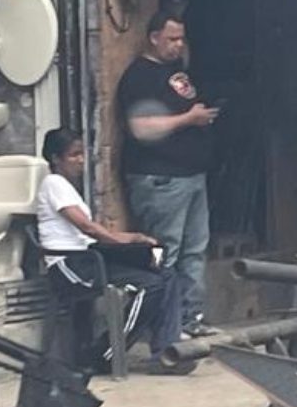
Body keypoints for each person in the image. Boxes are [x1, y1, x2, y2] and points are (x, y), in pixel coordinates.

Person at [35, 129, 194, 376]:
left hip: (89, 256)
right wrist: (120, 241)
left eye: (82, 154)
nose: (81, 160)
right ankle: (106, 354)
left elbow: (94, 232)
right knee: (150, 286)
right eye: (73, 155)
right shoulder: (53, 183)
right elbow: (87, 227)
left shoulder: (68, 187)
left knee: (166, 274)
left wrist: (135, 238)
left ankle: (165, 352)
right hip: (70, 264)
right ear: (56, 158)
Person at [117, 12, 219, 337]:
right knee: (166, 253)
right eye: (172, 39)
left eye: (181, 39)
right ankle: (165, 328)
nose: (178, 45)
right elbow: (140, 127)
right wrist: (187, 119)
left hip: (192, 175)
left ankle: (190, 318)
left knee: (194, 251)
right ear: (153, 37)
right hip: (162, 178)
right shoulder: (139, 76)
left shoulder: (176, 72)